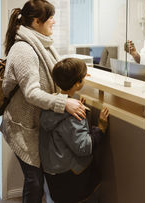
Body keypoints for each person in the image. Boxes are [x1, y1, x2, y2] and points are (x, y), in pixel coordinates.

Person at [0, 0, 87, 203]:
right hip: (23, 127)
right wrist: (63, 102)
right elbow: (31, 93)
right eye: (51, 18)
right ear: (37, 21)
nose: (54, 22)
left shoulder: (42, 44)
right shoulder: (24, 50)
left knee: (36, 182)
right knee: (34, 182)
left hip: (35, 126)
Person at [39, 57, 109, 203]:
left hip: (53, 171)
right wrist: (100, 128)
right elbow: (84, 147)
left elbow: (64, 132)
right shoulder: (73, 115)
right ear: (78, 84)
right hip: (70, 174)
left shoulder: (50, 104)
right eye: (83, 77)